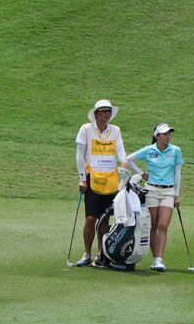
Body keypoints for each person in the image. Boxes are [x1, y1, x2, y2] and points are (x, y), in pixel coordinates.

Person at [75, 100, 130, 268]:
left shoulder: (115, 130)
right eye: (103, 111)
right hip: (92, 178)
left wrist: (124, 165)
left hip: (110, 180)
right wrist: (82, 178)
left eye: (109, 111)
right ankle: (87, 253)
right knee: (91, 218)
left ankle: (101, 254)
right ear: (96, 113)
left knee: (105, 219)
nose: (107, 114)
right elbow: (79, 155)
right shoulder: (85, 129)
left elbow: (120, 152)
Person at [127, 125, 184, 272]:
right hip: (151, 190)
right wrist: (141, 173)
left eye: (169, 134)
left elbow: (178, 174)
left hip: (168, 191)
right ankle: (155, 259)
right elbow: (129, 159)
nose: (168, 136)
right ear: (157, 136)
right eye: (165, 134)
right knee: (153, 224)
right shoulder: (149, 150)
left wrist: (176, 195)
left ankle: (159, 259)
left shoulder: (175, 150)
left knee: (163, 225)